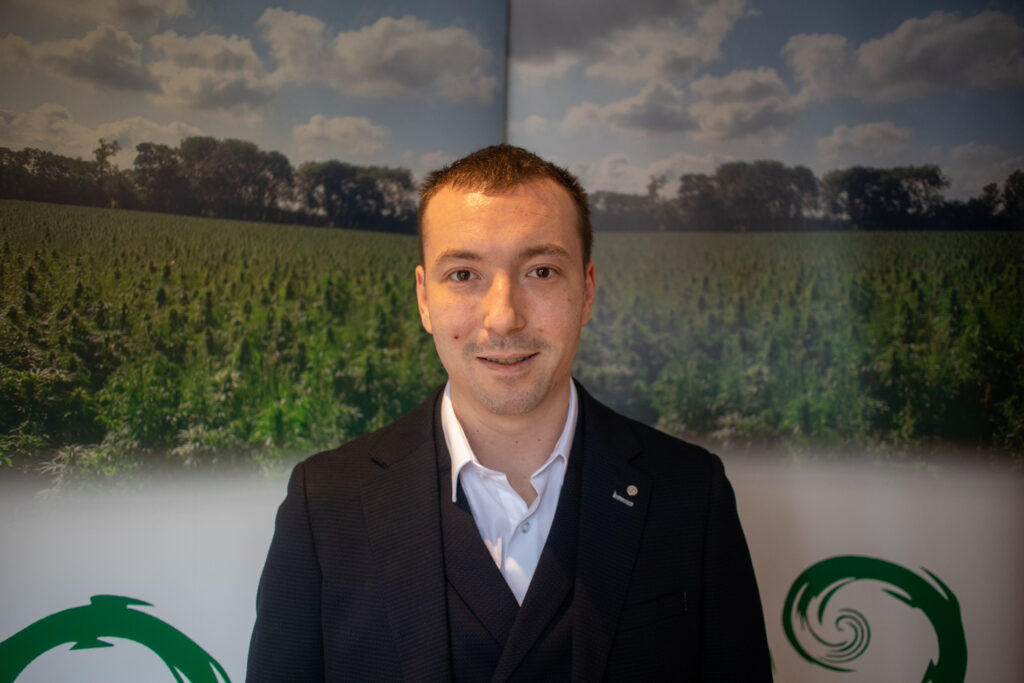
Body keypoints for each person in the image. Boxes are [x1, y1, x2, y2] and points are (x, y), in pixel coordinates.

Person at [247, 145, 772, 682]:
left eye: (541, 271)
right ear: (424, 299)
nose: (503, 318)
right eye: (463, 275)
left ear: (586, 291)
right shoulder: (325, 505)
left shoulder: (689, 494)